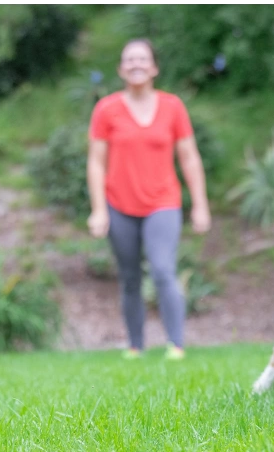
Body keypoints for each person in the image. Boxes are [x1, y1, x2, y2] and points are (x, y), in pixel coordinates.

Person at [86, 39, 211, 360]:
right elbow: (96, 162)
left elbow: (190, 158)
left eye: (142, 59)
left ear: (154, 67)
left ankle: (176, 345)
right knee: (129, 277)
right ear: (120, 69)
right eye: (129, 60)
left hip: (163, 202)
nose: (136, 64)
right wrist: (99, 210)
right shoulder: (107, 109)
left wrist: (200, 204)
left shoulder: (173, 107)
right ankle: (135, 346)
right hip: (118, 205)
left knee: (162, 269)